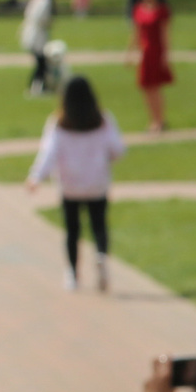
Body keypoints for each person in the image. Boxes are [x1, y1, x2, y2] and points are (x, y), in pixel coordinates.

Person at [25, 75, 125, 290]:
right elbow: (118, 149)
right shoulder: (103, 120)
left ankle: (72, 273)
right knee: (99, 225)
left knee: (72, 231)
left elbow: (48, 154)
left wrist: (35, 178)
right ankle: (101, 255)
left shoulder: (59, 123)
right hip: (96, 182)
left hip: (70, 185)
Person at [131, 0, 175, 132]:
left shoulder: (162, 10)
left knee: (155, 87)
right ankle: (152, 120)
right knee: (146, 88)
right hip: (144, 53)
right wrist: (131, 52)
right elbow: (136, 33)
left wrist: (166, 56)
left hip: (156, 52)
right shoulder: (138, 8)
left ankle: (160, 120)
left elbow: (165, 34)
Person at [21, 0, 58, 95]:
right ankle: (36, 88)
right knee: (41, 63)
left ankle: (40, 86)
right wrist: (48, 22)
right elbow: (39, 17)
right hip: (36, 35)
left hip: (32, 32)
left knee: (41, 63)